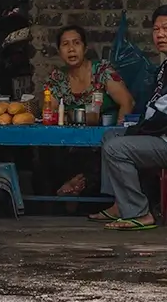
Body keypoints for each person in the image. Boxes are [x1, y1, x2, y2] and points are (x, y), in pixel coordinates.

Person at [93, 4, 167, 229]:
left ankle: (139, 213)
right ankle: (122, 204)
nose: (160, 34)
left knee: (116, 147)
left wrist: (137, 130)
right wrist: (135, 129)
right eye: (156, 29)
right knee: (110, 136)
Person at [48, 25, 135, 194]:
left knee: (95, 153)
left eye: (76, 43)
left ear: (85, 48)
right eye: (65, 44)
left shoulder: (101, 71)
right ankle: (68, 188)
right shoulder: (58, 78)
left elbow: (128, 102)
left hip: (102, 140)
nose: (71, 49)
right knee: (48, 150)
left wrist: (118, 132)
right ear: (59, 51)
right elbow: (50, 111)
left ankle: (76, 186)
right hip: (70, 143)